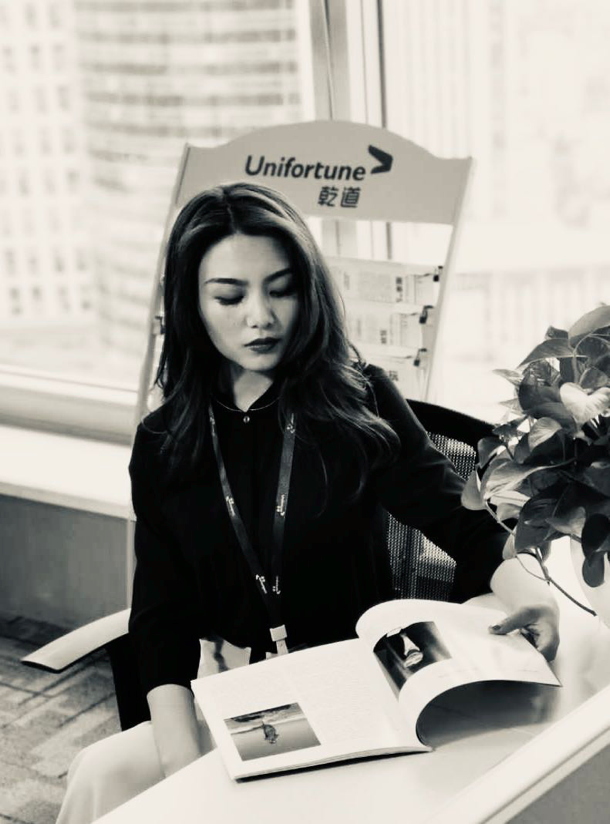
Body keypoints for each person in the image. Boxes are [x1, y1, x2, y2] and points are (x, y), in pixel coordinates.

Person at [56, 181, 560, 823]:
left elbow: (457, 517)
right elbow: (161, 615)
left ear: (308, 290)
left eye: (281, 288)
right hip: (240, 696)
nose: (260, 317)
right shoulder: (164, 442)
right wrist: (180, 767)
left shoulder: (358, 402)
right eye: (229, 296)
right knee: (101, 777)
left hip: (358, 686)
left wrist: (529, 595)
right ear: (191, 303)